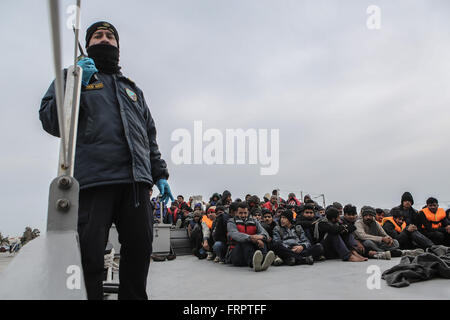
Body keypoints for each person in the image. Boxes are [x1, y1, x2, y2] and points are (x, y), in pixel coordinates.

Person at [39, 21, 174, 300]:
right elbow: (51, 120)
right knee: (88, 255)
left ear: (117, 45)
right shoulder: (72, 76)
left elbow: (149, 135)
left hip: (136, 184)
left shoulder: (132, 89)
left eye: (110, 35)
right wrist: (78, 84)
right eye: (98, 35)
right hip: (93, 181)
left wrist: (160, 174)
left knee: (138, 253)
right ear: (87, 45)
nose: (104, 39)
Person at [226, 202, 275, 272]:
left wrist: (260, 238)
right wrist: (251, 238)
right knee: (245, 241)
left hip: (250, 252)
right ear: (236, 212)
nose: (243, 215)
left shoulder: (254, 221)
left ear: (248, 212)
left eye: (245, 213)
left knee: (262, 239)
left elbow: (265, 233)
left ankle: (263, 260)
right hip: (236, 254)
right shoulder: (231, 222)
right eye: (240, 213)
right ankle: (254, 263)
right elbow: (235, 234)